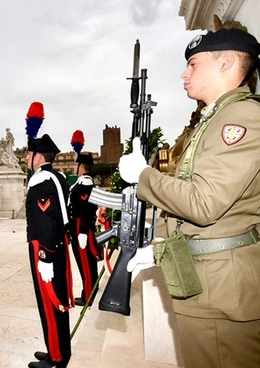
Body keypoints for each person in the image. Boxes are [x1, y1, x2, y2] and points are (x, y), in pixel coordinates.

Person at [119, 28, 260, 367]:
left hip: (221, 292)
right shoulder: (214, 120)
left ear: (225, 63)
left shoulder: (241, 119)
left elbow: (202, 202)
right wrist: (161, 251)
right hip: (205, 280)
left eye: (193, 64)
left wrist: (143, 175)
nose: (184, 73)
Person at [24, 102, 73, 368]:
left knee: (50, 301)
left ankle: (56, 358)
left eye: (28, 155)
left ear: (39, 157)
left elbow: (46, 221)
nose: (24, 159)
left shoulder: (41, 181)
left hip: (45, 248)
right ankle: (58, 349)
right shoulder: (59, 178)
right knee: (58, 300)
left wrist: (45, 255)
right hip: (57, 245)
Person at [68, 152, 102, 307]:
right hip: (79, 226)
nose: (74, 167)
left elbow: (86, 210)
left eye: (75, 165)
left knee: (85, 263)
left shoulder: (85, 185)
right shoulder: (83, 183)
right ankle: (91, 290)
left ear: (82, 167)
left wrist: (82, 232)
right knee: (87, 262)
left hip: (81, 226)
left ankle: (88, 296)